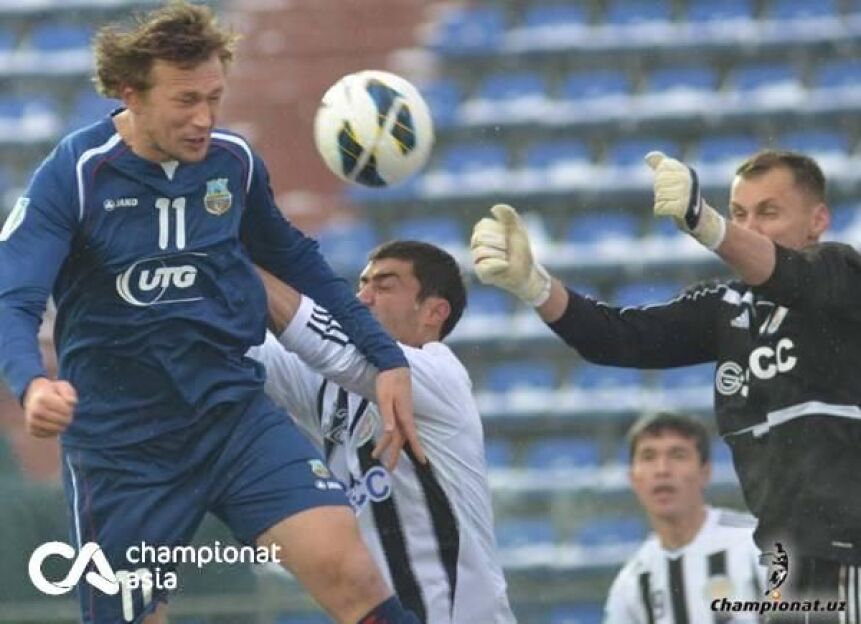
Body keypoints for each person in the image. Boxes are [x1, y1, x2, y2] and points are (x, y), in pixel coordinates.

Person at [0, 3, 424, 623]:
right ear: (130, 93)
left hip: (232, 422)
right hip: (121, 450)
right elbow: (13, 297)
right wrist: (31, 384)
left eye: (214, 98)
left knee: (351, 572)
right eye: (185, 100)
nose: (204, 118)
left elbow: (297, 260)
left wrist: (385, 357)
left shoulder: (234, 162)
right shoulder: (77, 174)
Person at [471, 149, 861, 617]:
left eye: (769, 212)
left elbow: (791, 276)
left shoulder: (841, 274)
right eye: (739, 214)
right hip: (790, 556)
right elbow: (617, 338)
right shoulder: (727, 308)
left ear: (818, 220)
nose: (751, 227)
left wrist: (707, 223)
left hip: (847, 547)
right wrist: (534, 285)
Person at [250, 240, 517, 624]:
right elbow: (245, 351)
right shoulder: (328, 389)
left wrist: (234, 257)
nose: (362, 298)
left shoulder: (441, 376)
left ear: (434, 312)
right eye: (362, 284)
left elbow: (325, 343)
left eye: (384, 285)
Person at [604, 412, 763, 624]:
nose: (662, 470)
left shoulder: (757, 545)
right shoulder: (632, 584)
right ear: (633, 478)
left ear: (705, 473)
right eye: (648, 457)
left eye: (678, 455)